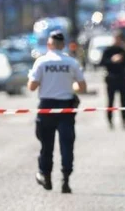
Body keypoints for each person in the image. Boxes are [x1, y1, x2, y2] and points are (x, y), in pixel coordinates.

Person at [28, 30, 86, 194]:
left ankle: (45, 175)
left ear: (49, 45)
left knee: (46, 144)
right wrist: (69, 87)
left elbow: (32, 86)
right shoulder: (71, 62)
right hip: (66, 107)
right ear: (63, 45)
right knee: (67, 144)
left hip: (47, 106)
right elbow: (82, 87)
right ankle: (65, 179)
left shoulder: (41, 62)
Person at [100, 30, 125, 129]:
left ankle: (124, 120)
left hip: (122, 78)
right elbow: (102, 62)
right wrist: (112, 60)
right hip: (111, 78)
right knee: (110, 101)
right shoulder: (108, 50)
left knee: (124, 102)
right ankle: (110, 120)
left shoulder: (124, 50)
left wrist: (124, 53)